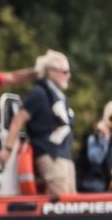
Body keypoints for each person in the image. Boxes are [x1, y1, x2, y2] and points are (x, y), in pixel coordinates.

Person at [18, 51, 78, 197]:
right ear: (50, 71)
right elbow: (19, 118)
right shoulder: (39, 93)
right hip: (50, 153)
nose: (68, 76)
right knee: (61, 201)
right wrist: (6, 149)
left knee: (73, 200)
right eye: (65, 72)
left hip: (64, 154)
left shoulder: (58, 95)